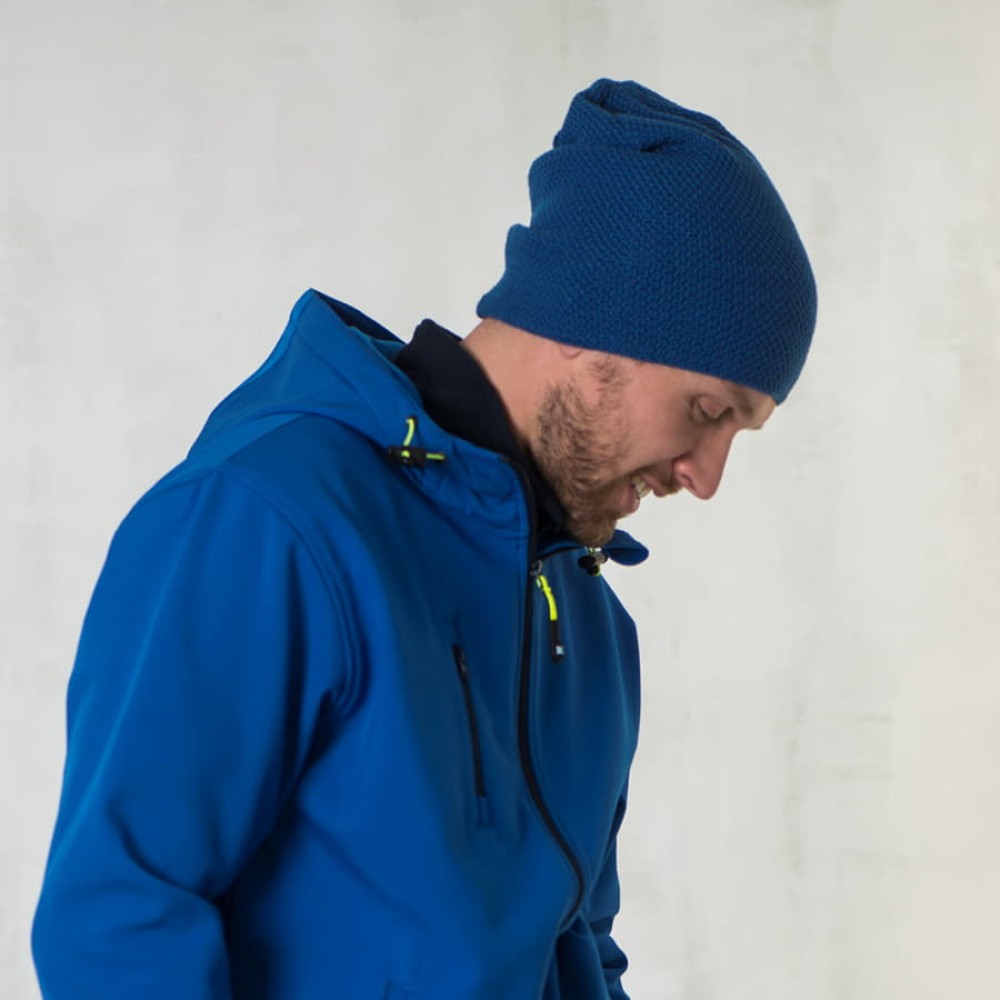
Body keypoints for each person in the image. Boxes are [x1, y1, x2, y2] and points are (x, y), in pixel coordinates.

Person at [32, 79, 817, 999]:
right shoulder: (274, 522)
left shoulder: (585, 621)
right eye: (707, 410)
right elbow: (120, 921)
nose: (707, 475)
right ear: (593, 325)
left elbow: (579, 952)